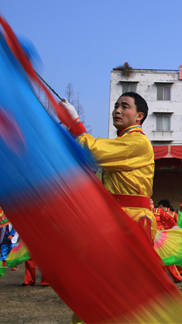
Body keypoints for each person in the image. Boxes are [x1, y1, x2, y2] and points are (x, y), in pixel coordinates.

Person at [61, 92, 157, 243]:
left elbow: (94, 151)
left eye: (125, 107)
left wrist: (74, 123)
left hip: (131, 219)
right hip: (115, 218)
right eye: (116, 106)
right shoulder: (123, 142)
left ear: (139, 116)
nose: (117, 111)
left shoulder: (138, 141)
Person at [150, 199, 182, 283]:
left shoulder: (158, 210)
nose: (150, 201)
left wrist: (175, 228)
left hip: (159, 237)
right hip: (148, 237)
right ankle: (160, 278)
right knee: (153, 259)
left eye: (151, 201)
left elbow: (169, 219)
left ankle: (176, 277)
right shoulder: (143, 211)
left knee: (167, 257)